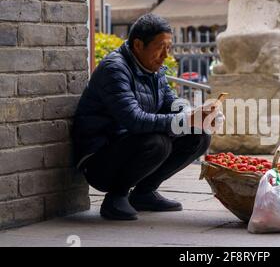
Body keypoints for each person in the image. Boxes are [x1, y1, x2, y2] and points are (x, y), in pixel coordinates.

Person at [72, 14, 220, 220]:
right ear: (138, 45)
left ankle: (144, 193)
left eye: (169, 47)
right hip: (99, 159)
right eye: (160, 47)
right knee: (158, 142)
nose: (165, 55)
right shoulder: (115, 69)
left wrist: (196, 114)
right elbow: (134, 120)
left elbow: (172, 103)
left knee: (198, 134)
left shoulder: (154, 69)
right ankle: (116, 197)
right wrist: (186, 120)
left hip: (130, 144)